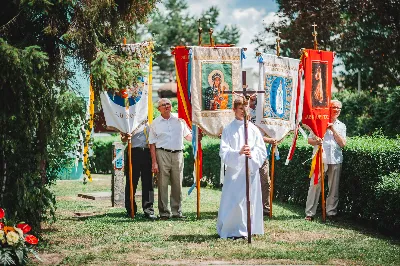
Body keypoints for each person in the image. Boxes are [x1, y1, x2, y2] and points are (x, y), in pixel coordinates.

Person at [217, 98, 267, 239]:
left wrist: (252, 154)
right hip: (235, 171)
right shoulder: (228, 129)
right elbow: (224, 151)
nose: (244, 111)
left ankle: (249, 228)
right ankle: (232, 229)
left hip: (250, 170)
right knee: (234, 200)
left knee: (249, 199)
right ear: (234, 110)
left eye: (246, 108)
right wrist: (238, 153)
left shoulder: (253, 129)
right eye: (240, 108)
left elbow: (262, 151)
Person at [148, 98, 192, 220]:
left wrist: (197, 135)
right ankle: (164, 213)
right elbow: (151, 144)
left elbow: (188, 136)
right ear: (159, 109)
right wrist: (154, 162)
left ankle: (177, 212)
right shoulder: (155, 123)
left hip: (178, 154)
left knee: (177, 183)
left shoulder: (180, 119)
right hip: (162, 154)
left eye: (168, 104)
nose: (167, 106)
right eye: (163, 105)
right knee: (162, 184)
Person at [305, 99, 346, 221]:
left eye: (339, 108)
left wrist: (333, 129)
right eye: (334, 107)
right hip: (320, 159)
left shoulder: (341, 126)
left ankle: (331, 212)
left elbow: (343, 144)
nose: (337, 110)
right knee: (315, 185)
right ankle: (310, 213)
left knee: (333, 187)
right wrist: (316, 141)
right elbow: (309, 140)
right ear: (329, 108)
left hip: (336, 159)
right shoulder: (319, 122)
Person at [121, 123, 156, 220]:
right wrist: (127, 136)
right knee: (131, 181)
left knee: (148, 182)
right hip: (133, 152)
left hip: (146, 152)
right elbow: (123, 139)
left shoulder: (148, 124)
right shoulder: (129, 124)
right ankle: (130, 209)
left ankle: (148, 210)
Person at [249, 95, 277, 217]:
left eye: (256, 98)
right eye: (251, 98)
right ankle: (248, 206)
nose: (254, 99)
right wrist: (268, 139)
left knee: (265, 180)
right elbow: (250, 134)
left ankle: (265, 208)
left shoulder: (265, 113)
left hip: (261, 153)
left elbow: (271, 130)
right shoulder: (245, 113)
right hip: (248, 153)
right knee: (248, 181)